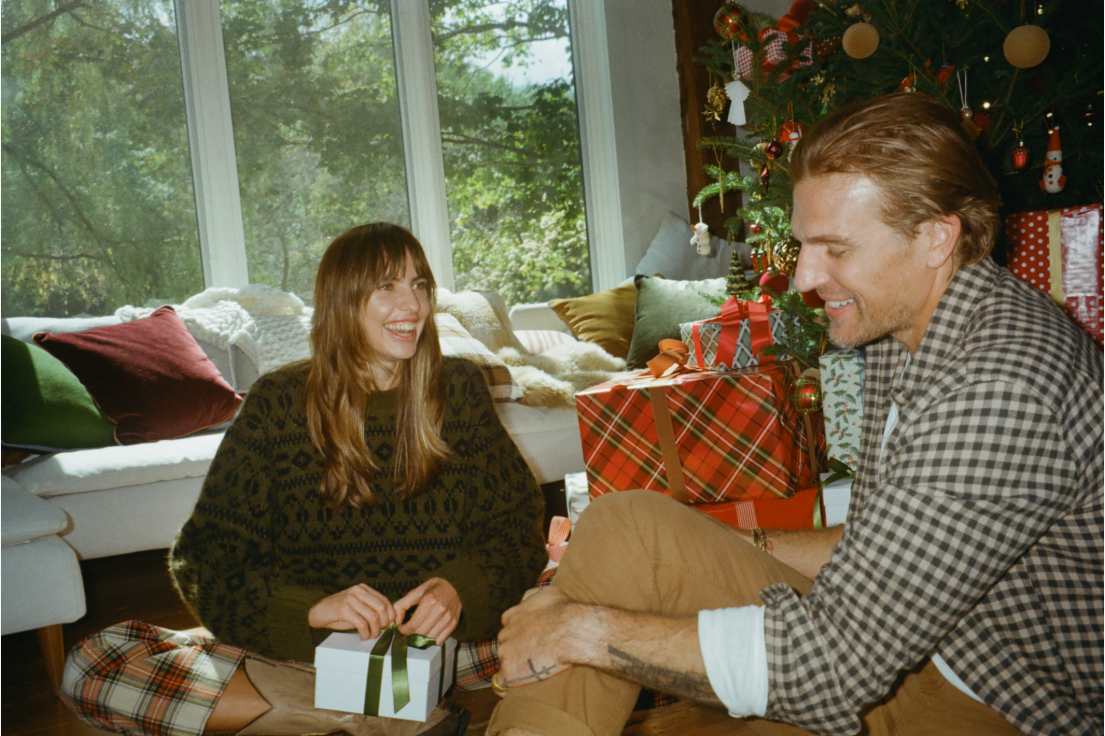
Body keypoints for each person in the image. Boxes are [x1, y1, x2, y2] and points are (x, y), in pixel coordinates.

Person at [486, 93, 1104, 736]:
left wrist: (579, 632)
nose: (805, 276)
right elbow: (885, 548)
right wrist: (729, 540)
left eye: (836, 248)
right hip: (925, 644)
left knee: (581, 626)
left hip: (996, 698)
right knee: (626, 526)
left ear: (935, 238)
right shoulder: (910, 326)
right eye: (805, 244)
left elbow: (831, 669)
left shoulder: (1000, 387)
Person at [60, 223, 547, 736]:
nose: (413, 305)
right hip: (310, 656)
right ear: (342, 300)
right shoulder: (277, 405)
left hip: (448, 648)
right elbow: (205, 559)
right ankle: (386, 717)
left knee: (568, 597)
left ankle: (351, 713)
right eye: (386, 286)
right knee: (94, 664)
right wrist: (310, 611)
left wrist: (457, 589)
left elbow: (516, 528)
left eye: (419, 284)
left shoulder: (460, 389)